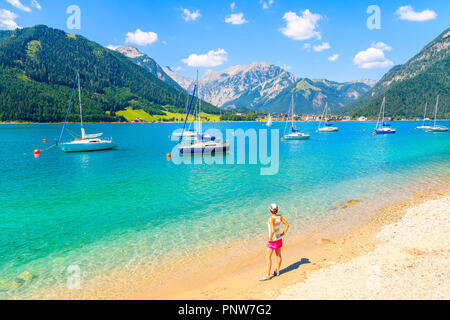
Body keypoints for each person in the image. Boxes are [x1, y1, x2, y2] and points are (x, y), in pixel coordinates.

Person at [260, 204, 290, 281]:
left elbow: (272, 231)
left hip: (273, 240)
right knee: (278, 255)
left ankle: (268, 275)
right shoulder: (280, 216)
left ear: (270, 210)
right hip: (279, 239)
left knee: (268, 256)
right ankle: (277, 271)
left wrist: (269, 239)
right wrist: (283, 233)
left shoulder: (271, 219)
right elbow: (287, 225)